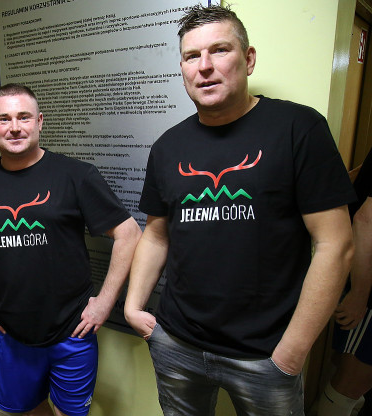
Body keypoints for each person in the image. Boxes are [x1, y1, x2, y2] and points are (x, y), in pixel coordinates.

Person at [124, 5, 355, 416]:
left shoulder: (298, 128)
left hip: (265, 355)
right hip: (176, 343)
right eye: (192, 56)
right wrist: (133, 306)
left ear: (248, 59)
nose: (204, 66)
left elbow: (335, 244)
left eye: (220, 50)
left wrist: (293, 350)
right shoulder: (168, 147)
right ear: (182, 67)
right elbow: (156, 235)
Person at [0, 83, 141, 416]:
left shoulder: (75, 175)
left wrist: (104, 303)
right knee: (29, 410)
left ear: (39, 122)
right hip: (12, 332)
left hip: (72, 330)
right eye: (4, 119)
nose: (14, 127)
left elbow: (129, 234)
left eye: (24, 117)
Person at [315, 150, 372, 416]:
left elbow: (353, 179)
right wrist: (359, 295)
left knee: (355, 385)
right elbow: (366, 220)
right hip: (367, 292)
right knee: (351, 383)